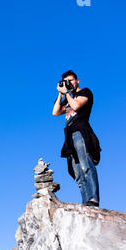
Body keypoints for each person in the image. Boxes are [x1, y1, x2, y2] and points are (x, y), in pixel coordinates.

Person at [52, 70, 102, 207]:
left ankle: (93, 199)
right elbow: (55, 112)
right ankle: (86, 201)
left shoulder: (84, 92)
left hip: (81, 132)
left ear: (77, 80)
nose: (69, 83)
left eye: (71, 80)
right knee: (78, 172)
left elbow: (76, 105)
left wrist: (67, 94)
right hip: (69, 137)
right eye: (66, 81)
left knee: (86, 166)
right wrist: (60, 94)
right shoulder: (68, 98)